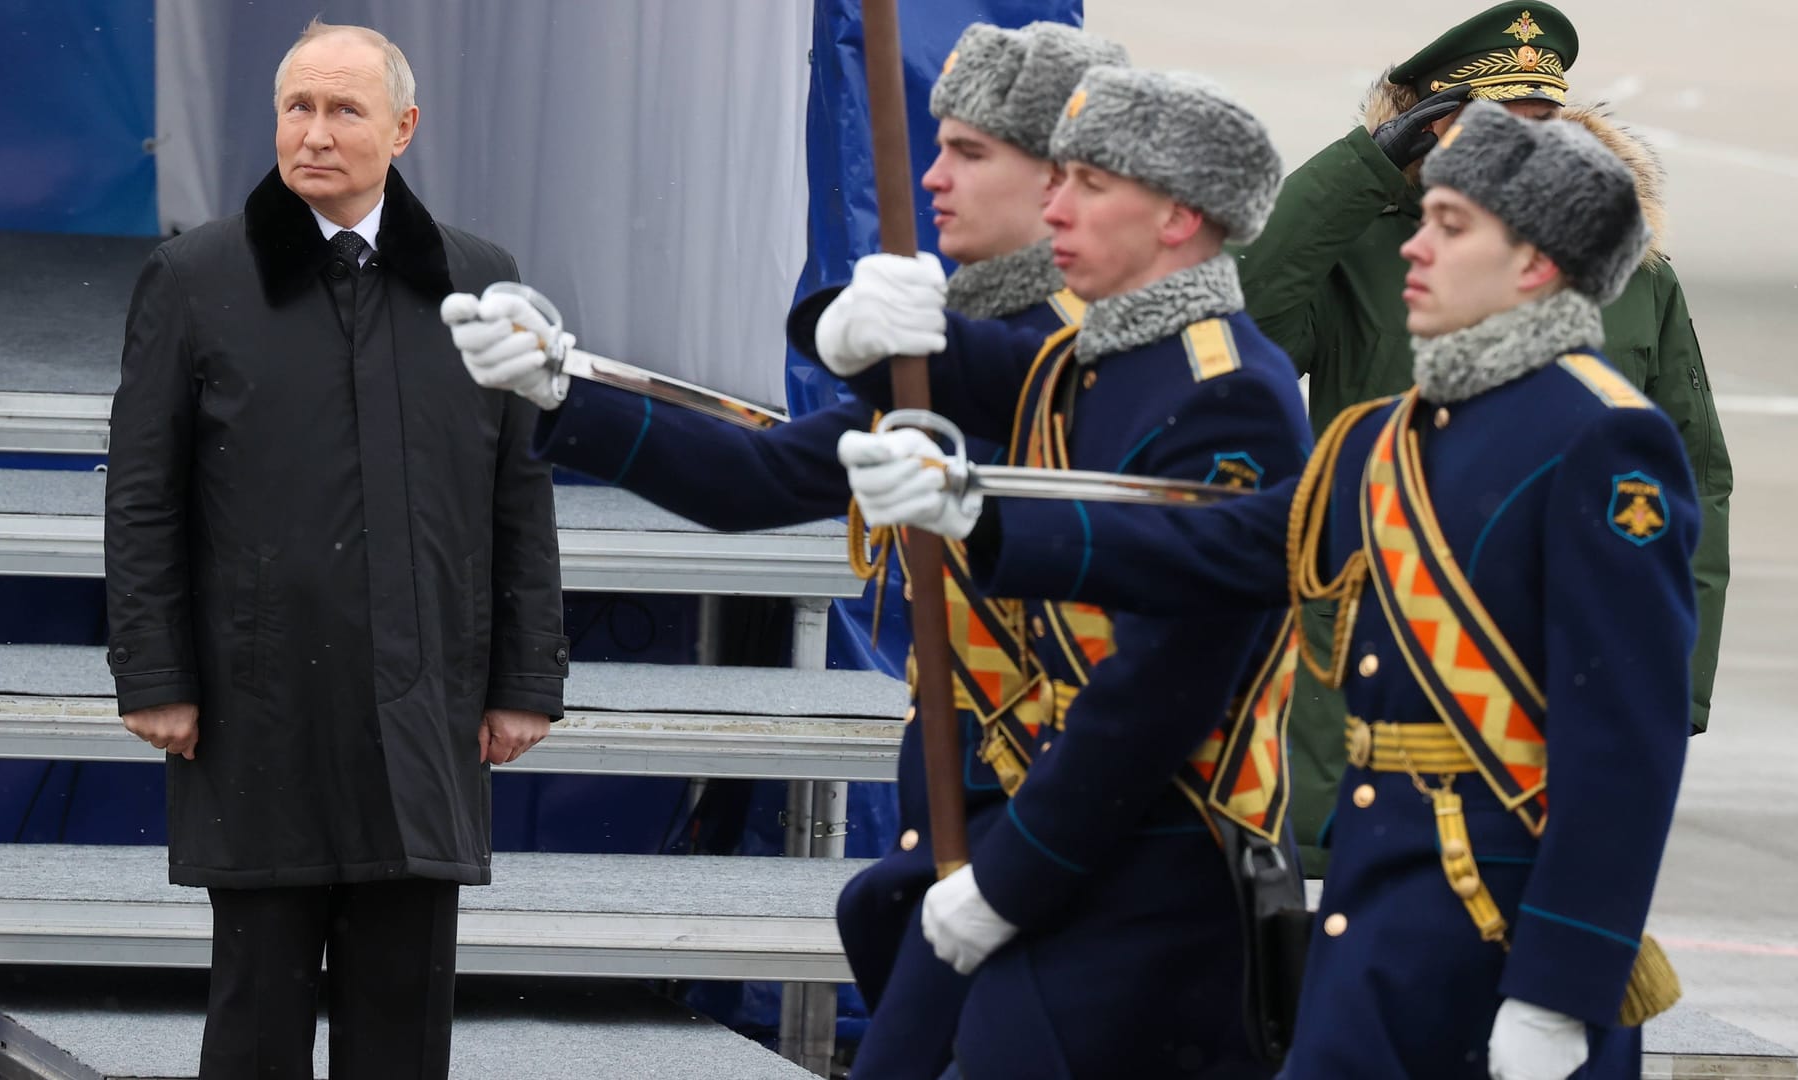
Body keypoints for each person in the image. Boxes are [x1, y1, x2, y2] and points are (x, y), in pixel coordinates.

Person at [874, 101, 1694, 1079]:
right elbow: (1226, 545)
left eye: (1451, 225)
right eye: (1424, 216)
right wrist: (982, 512)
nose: (1414, 251)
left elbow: (1622, 744)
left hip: (1501, 932)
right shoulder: (1381, 437)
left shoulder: (1603, 441)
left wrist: (1563, 983)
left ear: (1538, 266)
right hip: (1379, 916)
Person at [444, 22, 1125, 1079]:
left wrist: (856, 339)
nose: (935, 178)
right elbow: (751, 480)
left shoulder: (1119, 354)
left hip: (1083, 825)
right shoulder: (958, 349)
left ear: (1067, 177)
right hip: (960, 804)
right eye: (934, 147)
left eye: (974, 153)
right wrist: (558, 388)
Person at [816, 65, 1311, 1075]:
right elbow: (943, 369)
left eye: (1089, 182)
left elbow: (1159, 689)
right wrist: (852, 328)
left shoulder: (1227, 393)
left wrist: (1010, 881)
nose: (1055, 202)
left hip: (1149, 870)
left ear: (1177, 217)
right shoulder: (1088, 362)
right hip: (1065, 844)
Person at [105, 19, 568, 1078]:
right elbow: (142, 497)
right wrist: (156, 673)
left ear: (403, 129)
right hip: (260, 704)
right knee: (258, 1019)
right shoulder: (195, 278)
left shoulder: (478, 284)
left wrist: (525, 678)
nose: (314, 133)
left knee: (403, 1028)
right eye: (297, 108)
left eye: (344, 110)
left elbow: (518, 496)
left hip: (424, 708)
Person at [1235, 0, 1731, 874]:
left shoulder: (1633, 270)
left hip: (1548, 661)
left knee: (1545, 899)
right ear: (1425, 127)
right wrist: (1360, 174)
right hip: (1369, 659)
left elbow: (1693, 474)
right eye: (1494, 122)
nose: (1523, 145)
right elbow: (1247, 334)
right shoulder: (1361, 248)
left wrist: (1673, 677)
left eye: (1544, 121)